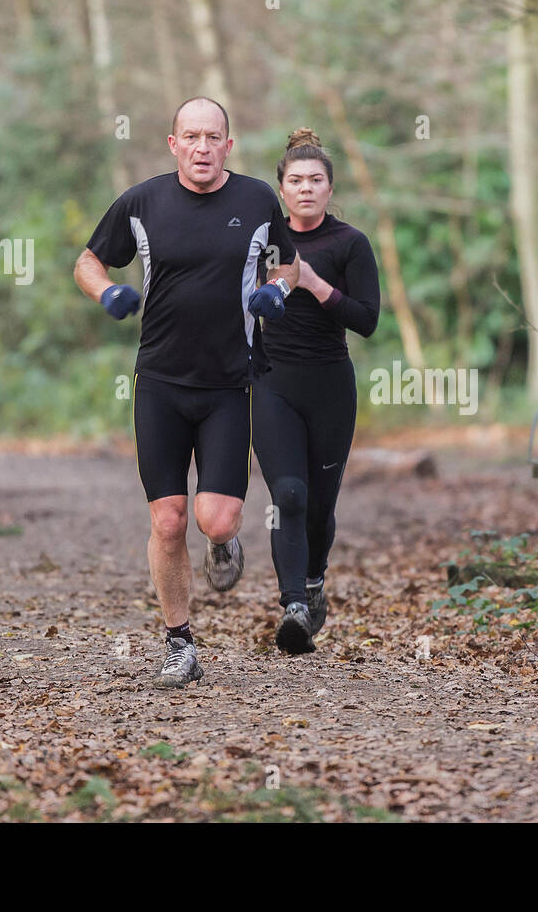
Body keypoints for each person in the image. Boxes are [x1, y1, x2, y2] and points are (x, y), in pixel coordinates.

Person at [72, 97, 302, 687]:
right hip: (160, 384)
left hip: (228, 383)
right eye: (191, 137)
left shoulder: (255, 201)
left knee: (216, 519)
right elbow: (89, 260)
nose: (202, 147)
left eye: (213, 137)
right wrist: (106, 294)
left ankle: (224, 546)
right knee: (169, 521)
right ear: (173, 144)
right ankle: (180, 644)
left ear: (229, 144)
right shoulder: (142, 202)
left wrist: (276, 291)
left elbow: (287, 265)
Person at [252, 128, 381, 654]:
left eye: (316, 180)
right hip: (273, 381)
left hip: (330, 385)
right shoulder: (259, 241)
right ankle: (295, 607)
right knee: (289, 495)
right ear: (281, 189)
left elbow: (367, 320)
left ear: (330, 188)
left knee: (322, 507)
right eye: (296, 180)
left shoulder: (349, 244)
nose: (306, 188)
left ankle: (314, 579)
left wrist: (311, 282)